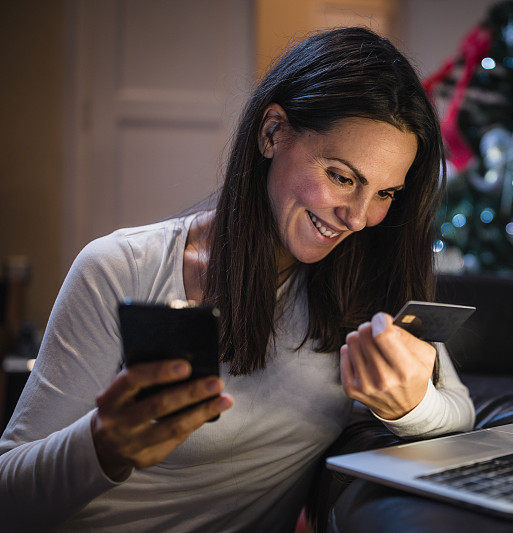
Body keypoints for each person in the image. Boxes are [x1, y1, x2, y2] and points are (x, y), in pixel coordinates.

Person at [0, 27, 475, 531]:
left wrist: (411, 406)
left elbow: (459, 410)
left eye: (384, 194)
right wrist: (101, 445)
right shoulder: (120, 267)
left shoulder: (365, 285)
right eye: (341, 176)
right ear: (272, 133)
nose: (358, 217)